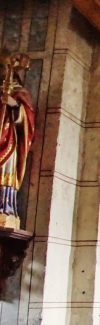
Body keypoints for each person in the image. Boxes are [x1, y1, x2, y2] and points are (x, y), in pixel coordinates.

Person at [0, 54, 35, 229]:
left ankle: (5, 209)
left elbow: (28, 121)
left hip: (9, 140)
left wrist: (13, 105)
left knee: (5, 171)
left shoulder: (20, 93)